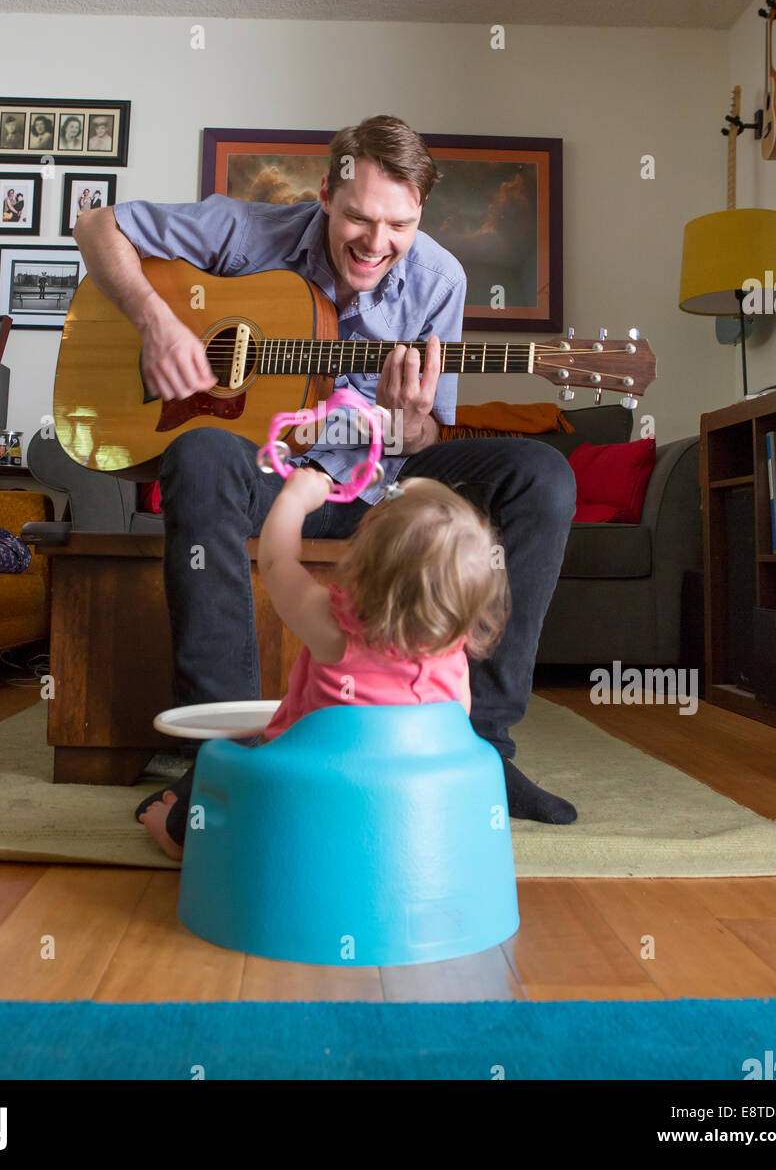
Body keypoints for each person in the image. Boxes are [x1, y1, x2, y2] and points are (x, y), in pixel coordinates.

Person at [72, 114, 578, 830]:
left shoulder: (440, 281)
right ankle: (220, 754)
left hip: (381, 491)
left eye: (399, 225)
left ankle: (480, 749)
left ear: (421, 212)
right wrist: (158, 322)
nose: (377, 243)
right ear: (324, 197)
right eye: (358, 219)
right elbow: (96, 225)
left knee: (542, 475)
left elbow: (426, 430)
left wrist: (409, 422)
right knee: (199, 450)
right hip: (269, 481)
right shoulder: (248, 234)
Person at [137, 468, 511, 858]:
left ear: (364, 562)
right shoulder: (454, 655)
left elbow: (277, 562)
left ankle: (175, 833)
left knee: (219, 774)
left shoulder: (334, 628)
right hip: (404, 818)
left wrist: (295, 500)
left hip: (302, 804)